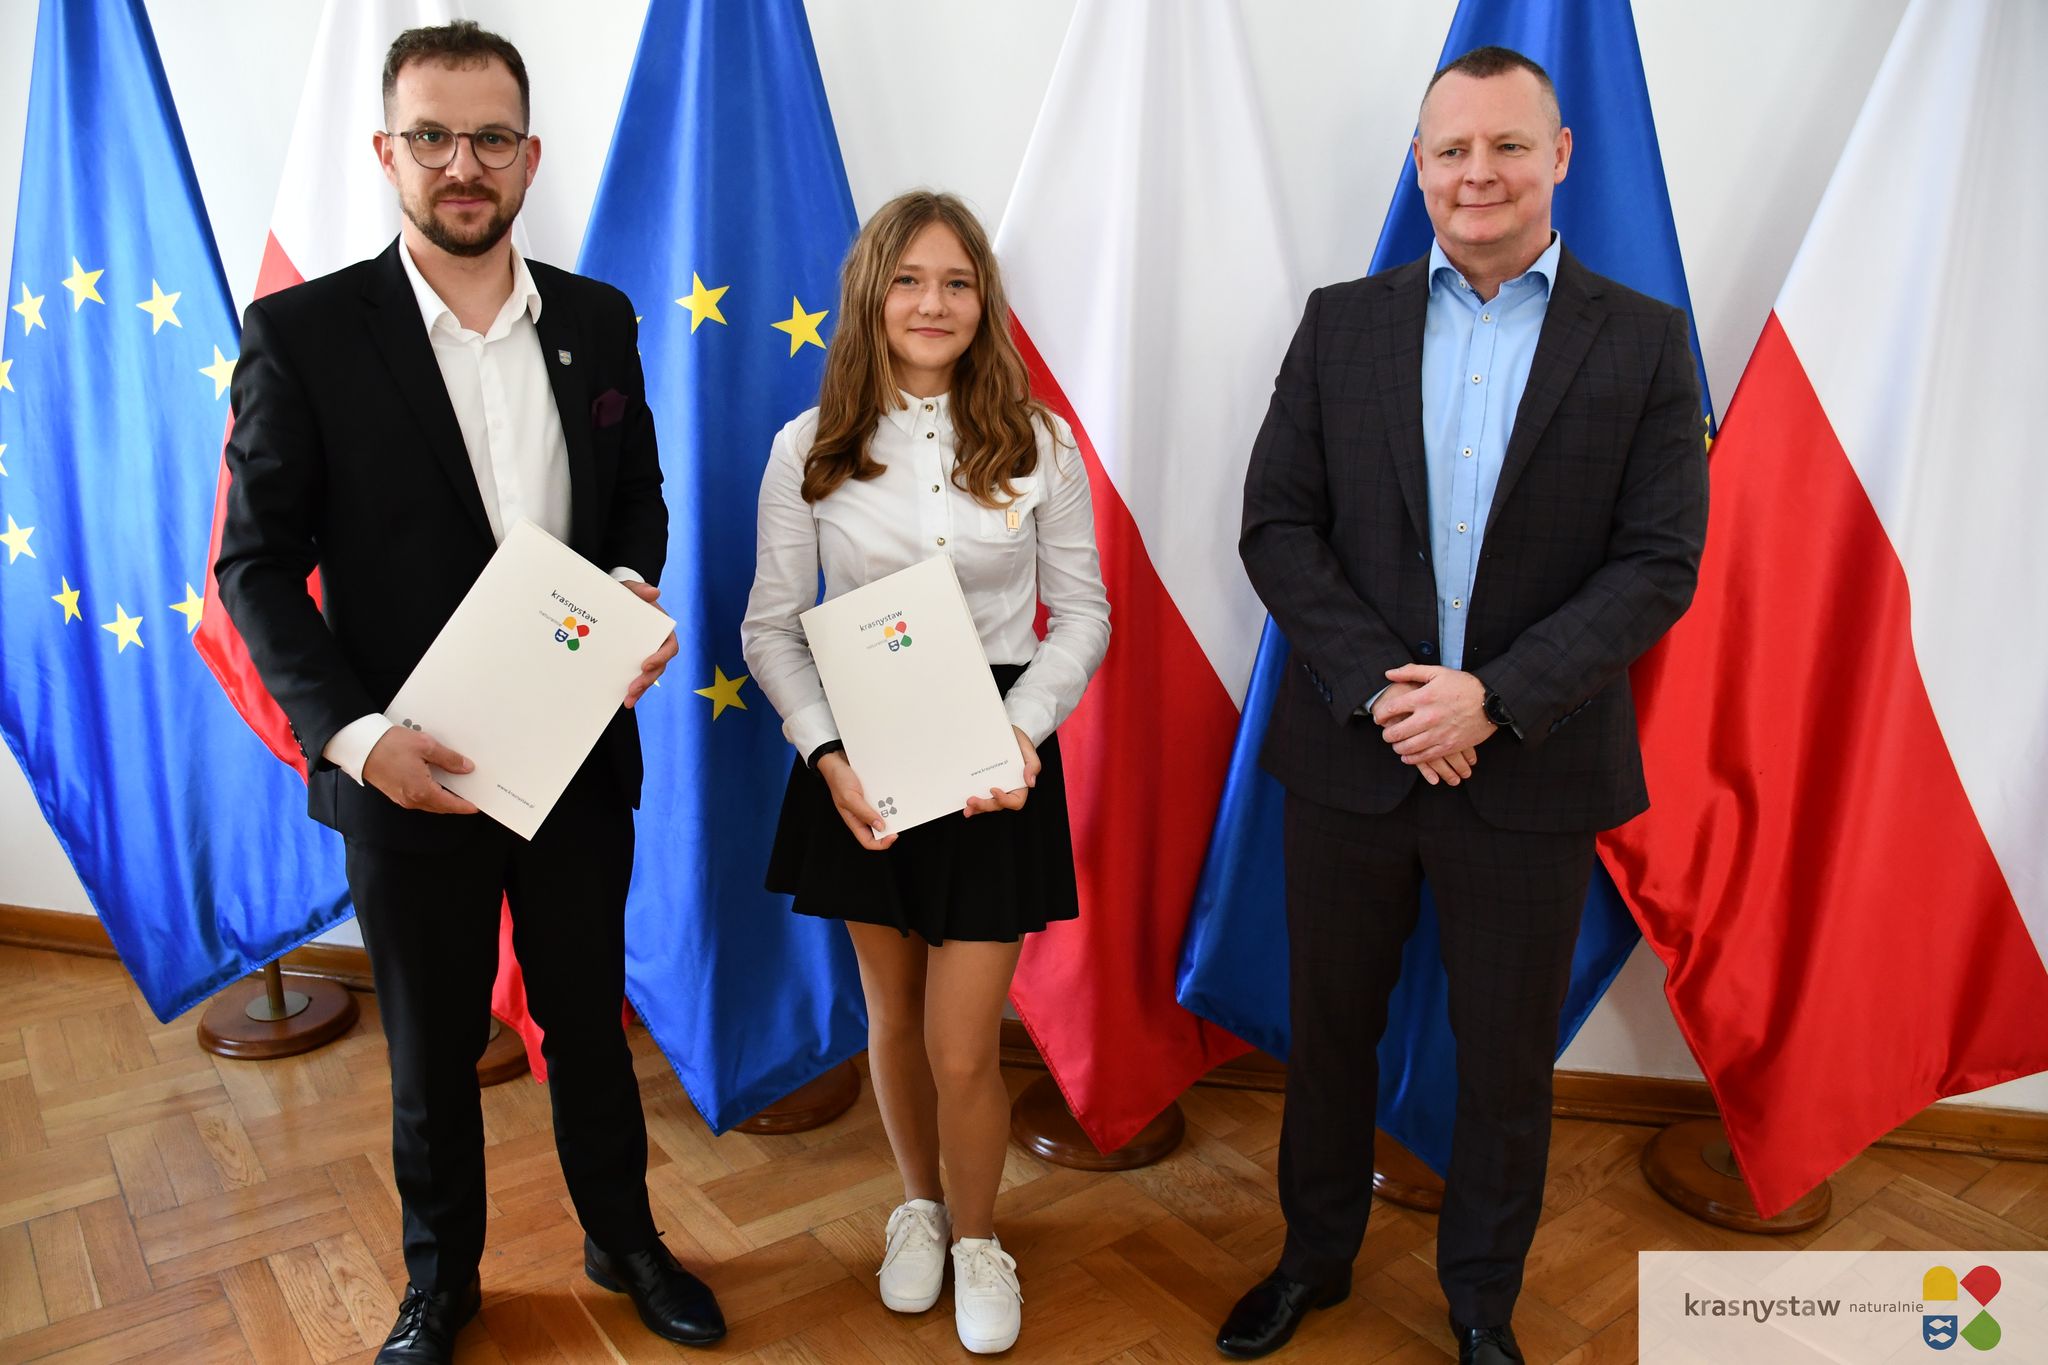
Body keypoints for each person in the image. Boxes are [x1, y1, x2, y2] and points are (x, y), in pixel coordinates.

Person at [214, 22, 724, 1364]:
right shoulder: (304, 334)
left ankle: (626, 1240)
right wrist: (356, 738)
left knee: (587, 1022)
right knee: (432, 1051)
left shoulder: (597, 319)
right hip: (407, 770)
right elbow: (253, 567)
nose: (462, 165)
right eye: (432, 137)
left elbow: (637, 501)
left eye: (490, 138)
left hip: (574, 756)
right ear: (386, 152)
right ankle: (440, 1287)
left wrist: (631, 594)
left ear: (529, 156)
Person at [1218, 46, 1709, 1365]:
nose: (1475, 172)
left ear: (1559, 157)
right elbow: (1276, 526)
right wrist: (1397, 697)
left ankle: (1482, 1302)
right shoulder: (1341, 324)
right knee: (1330, 1037)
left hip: (1531, 772)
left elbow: (1658, 563)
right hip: (1353, 758)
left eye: (1505, 145)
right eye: (1450, 149)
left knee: (1502, 1063)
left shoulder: (1645, 342)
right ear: (1419, 165)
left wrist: (1491, 698)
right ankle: (1312, 1261)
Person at [741, 190, 1110, 1355]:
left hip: (996, 756)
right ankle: (918, 1208)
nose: (931, 303)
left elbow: (1081, 617)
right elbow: (769, 629)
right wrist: (826, 755)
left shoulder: (1039, 443)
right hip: (865, 757)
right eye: (908, 279)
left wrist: (1022, 731)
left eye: (955, 282)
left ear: (982, 301)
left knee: (963, 1042)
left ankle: (980, 1240)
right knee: (891, 1017)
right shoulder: (808, 447)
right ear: (870, 296)